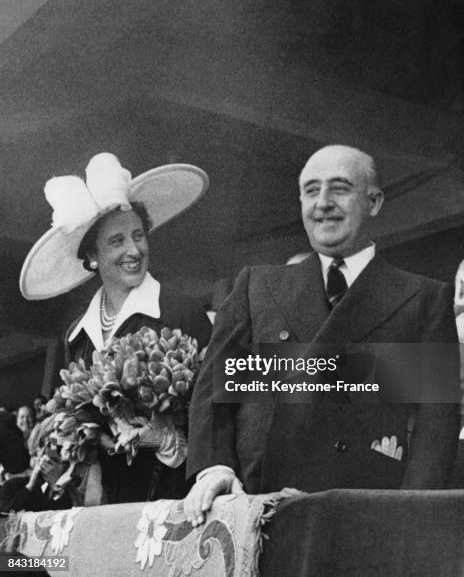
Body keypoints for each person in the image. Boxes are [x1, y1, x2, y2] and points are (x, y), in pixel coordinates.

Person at [184, 144, 460, 526]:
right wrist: (214, 466)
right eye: (311, 190)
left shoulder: (424, 298)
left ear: (375, 201)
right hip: (257, 507)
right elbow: (217, 384)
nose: (323, 203)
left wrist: (410, 513)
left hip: (362, 513)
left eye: (340, 188)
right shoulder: (257, 285)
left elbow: (437, 424)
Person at [20, 152, 212, 503]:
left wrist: (162, 437)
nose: (134, 250)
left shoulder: (181, 312)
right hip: (105, 503)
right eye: (117, 241)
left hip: (173, 497)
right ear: (92, 257)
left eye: (138, 235)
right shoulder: (77, 335)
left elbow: (214, 414)